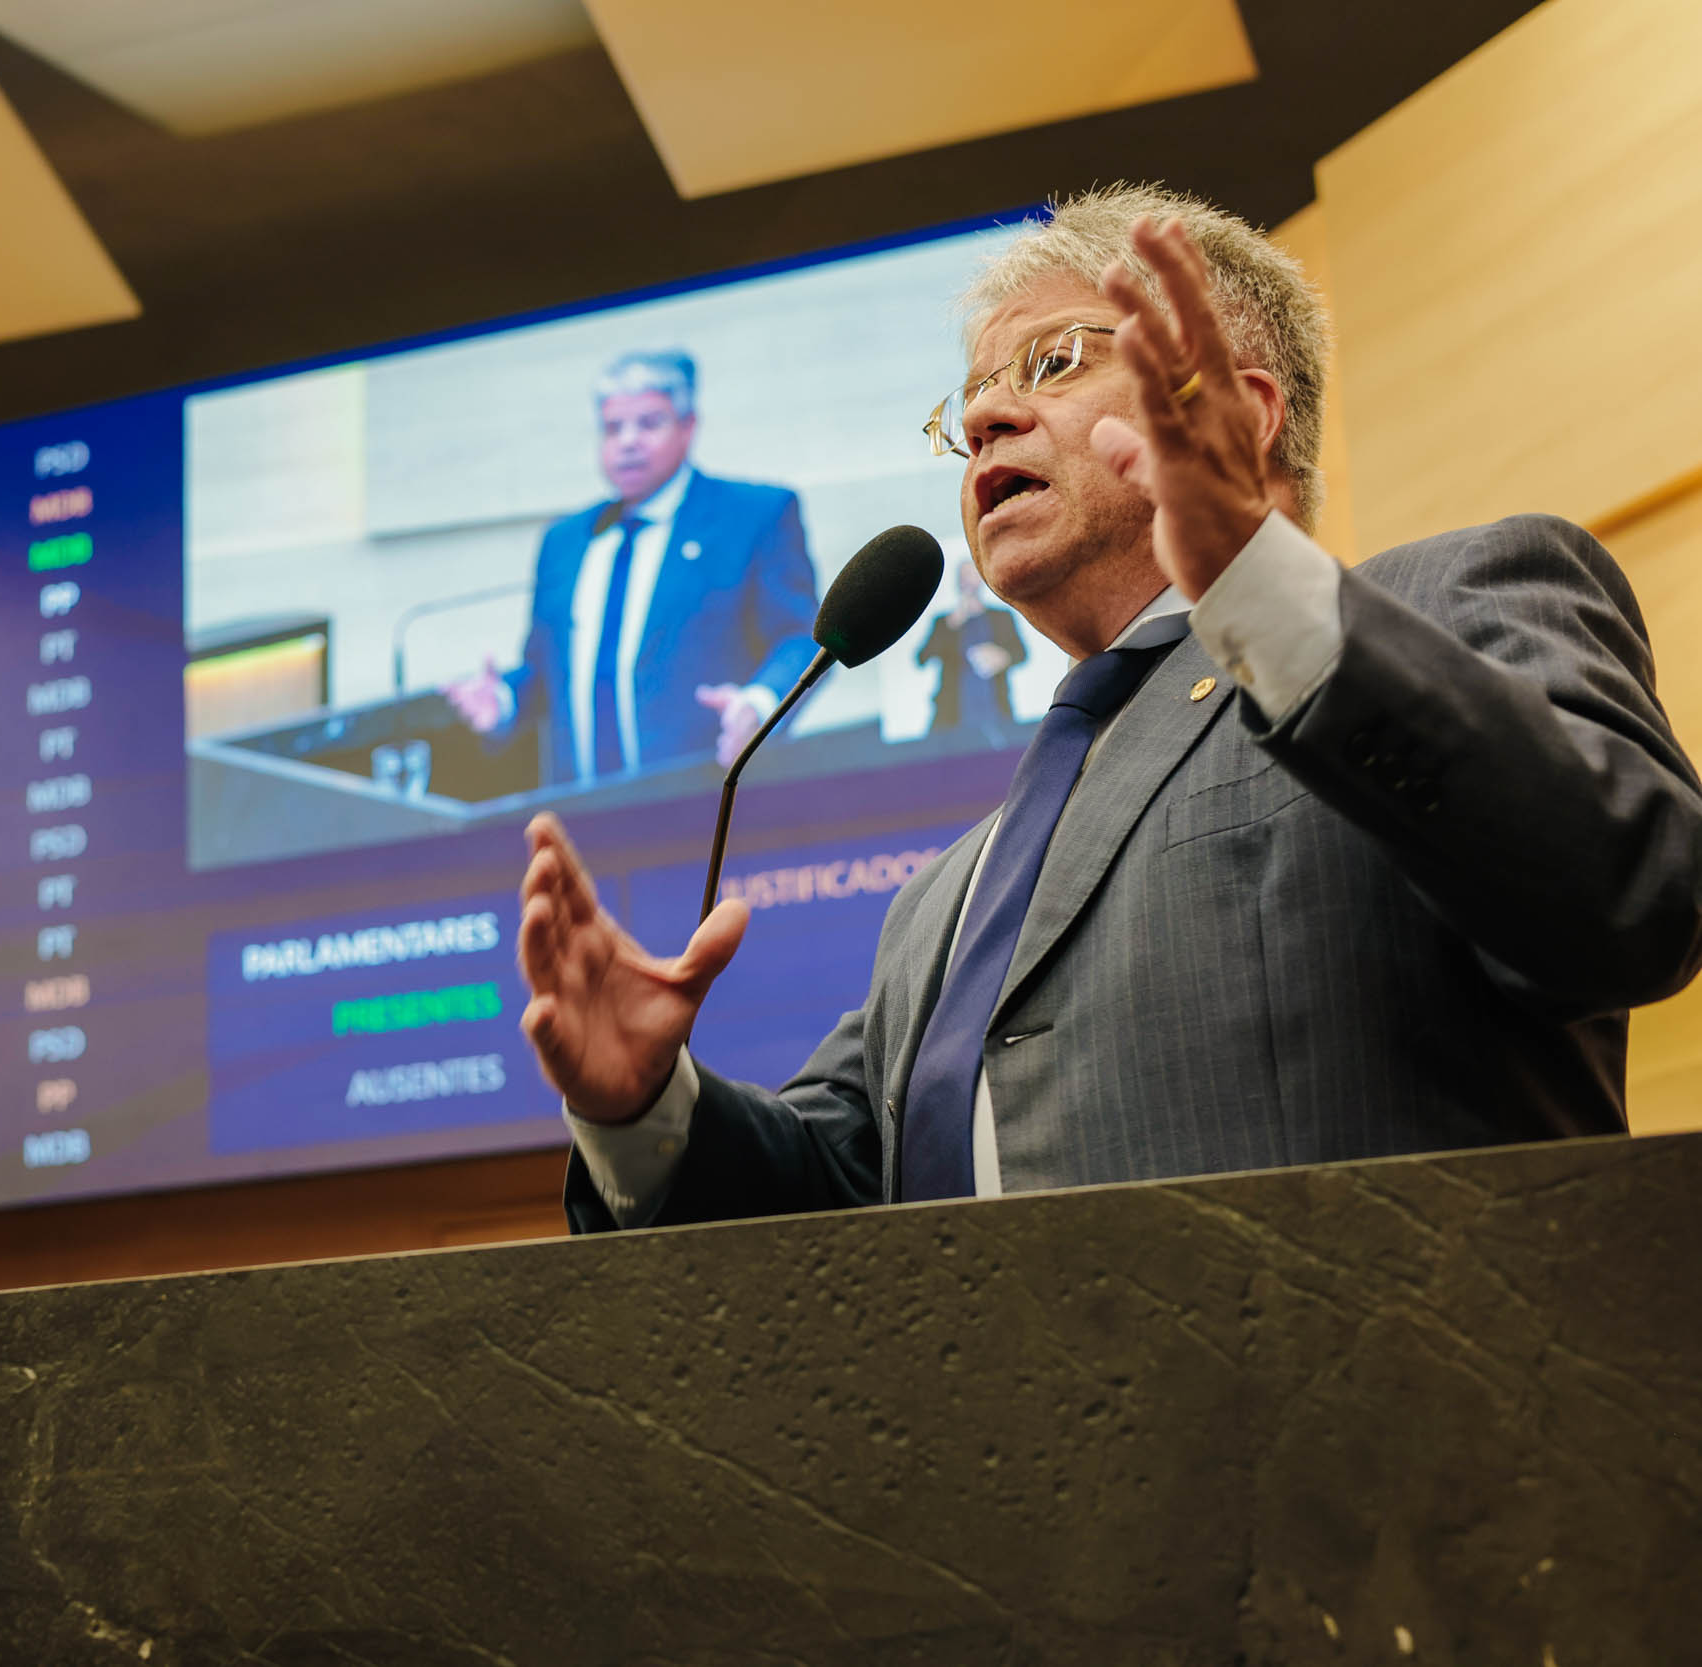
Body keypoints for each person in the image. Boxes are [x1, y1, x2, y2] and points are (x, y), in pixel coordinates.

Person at [513, 184, 1702, 1231]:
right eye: (967, 399)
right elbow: (829, 1213)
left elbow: (1632, 896)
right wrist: (641, 1105)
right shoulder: (944, 901)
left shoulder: (1450, 594)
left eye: (1051, 363)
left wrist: (1260, 587)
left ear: (1240, 411)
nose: (981, 419)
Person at [444, 351, 819, 779]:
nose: (628, 441)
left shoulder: (754, 516)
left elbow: (801, 639)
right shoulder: (564, 542)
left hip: (712, 800)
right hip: (584, 819)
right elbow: (547, 672)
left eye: (648, 423)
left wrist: (760, 705)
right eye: (613, 428)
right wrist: (505, 701)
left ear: (688, 427)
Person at [917, 559, 1030, 746]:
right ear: (958, 582)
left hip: (996, 712)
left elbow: (1021, 654)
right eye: (964, 577)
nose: (969, 582)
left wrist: (1003, 657)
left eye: (973, 575)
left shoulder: (1001, 617)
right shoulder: (944, 622)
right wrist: (951, 625)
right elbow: (922, 658)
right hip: (952, 716)